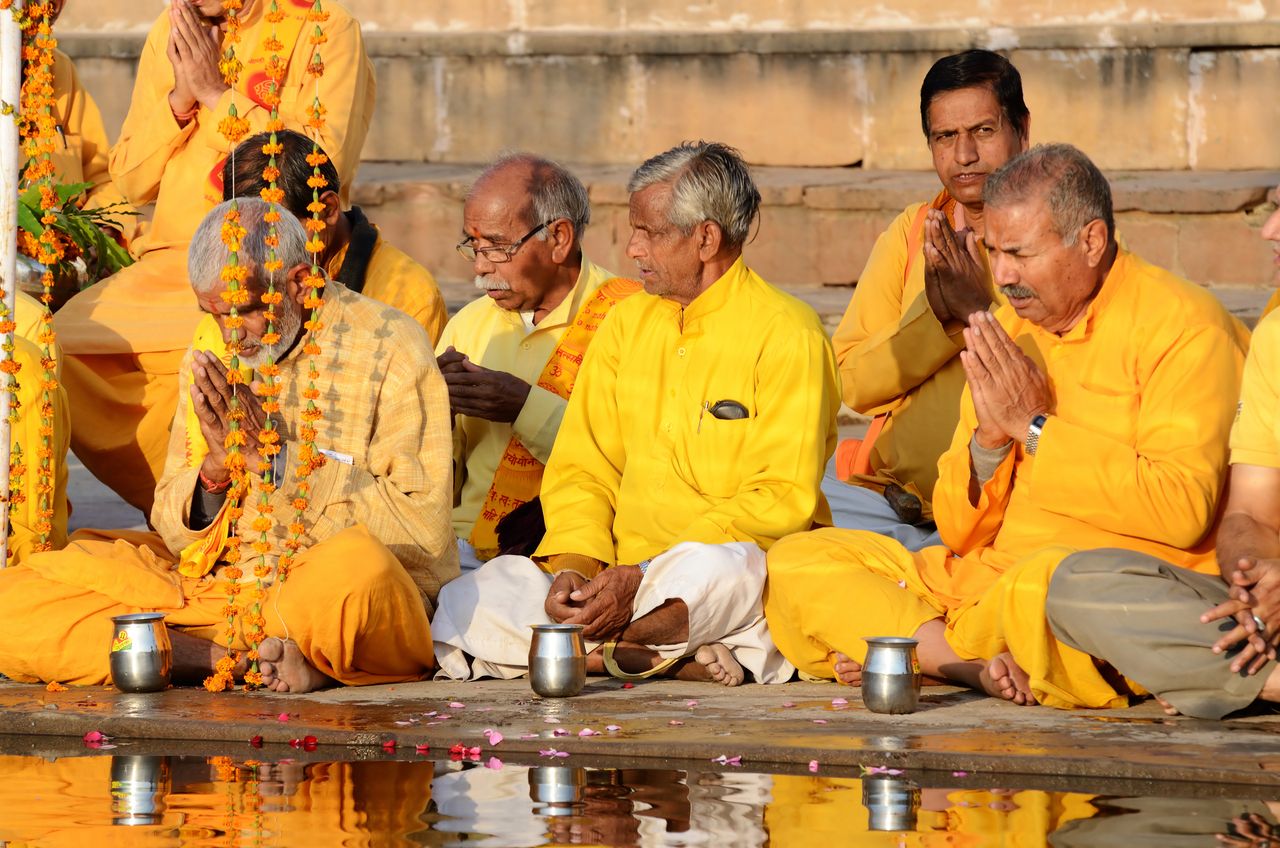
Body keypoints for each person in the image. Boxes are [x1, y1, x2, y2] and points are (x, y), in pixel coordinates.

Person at [764, 144, 1249, 703]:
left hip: (1082, 590)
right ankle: (958, 663)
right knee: (799, 558)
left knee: (1047, 584)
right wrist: (989, 445)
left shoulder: (1185, 328)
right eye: (993, 252)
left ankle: (913, 648)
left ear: (1090, 241)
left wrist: (1034, 427)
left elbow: (1181, 511)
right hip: (977, 585)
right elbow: (958, 531)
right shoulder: (1010, 329)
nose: (1001, 275)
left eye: (1019, 253)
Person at [0, 199, 456, 692]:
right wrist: (213, 475)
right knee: (19, 597)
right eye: (213, 315)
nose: (230, 336)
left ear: (300, 283)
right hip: (212, 591)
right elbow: (175, 533)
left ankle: (178, 647)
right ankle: (221, 658)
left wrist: (282, 464)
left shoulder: (391, 345)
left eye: (244, 313)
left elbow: (425, 536)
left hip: (311, 592)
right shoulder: (212, 350)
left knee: (361, 576)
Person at [432, 142, 840, 685]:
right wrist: (576, 564)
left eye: (648, 232)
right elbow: (584, 467)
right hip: (612, 571)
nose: (632, 249)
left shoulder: (789, 333)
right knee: (468, 599)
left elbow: (780, 499)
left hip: (702, 568)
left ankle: (605, 647)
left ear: (705, 238)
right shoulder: (626, 324)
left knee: (726, 574)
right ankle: (645, 651)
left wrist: (644, 574)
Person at [54, 0, 375, 514]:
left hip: (267, 259)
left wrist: (214, 93)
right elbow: (133, 179)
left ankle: (222, 517)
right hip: (171, 262)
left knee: (214, 365)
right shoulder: (174, 28)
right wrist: (181, 99)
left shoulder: (327, 29)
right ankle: (188, 513)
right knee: (56, 345)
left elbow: (318, 169)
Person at [1039, 195, 1280, 719]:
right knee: (1076, 586)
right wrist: (1255, 584)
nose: (1269, 231)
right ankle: (1254, 676)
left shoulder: (1187, 325)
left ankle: (1221, 678)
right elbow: (1249, 515)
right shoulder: (1277, 337)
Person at [824, 49, 1028, 550]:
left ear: (1021, 129)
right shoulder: (913, 233)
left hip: (1005, 511)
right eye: (945, 137)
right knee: (783, 529)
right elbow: (852, 382)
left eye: (982, 131)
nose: (963, 156)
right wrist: (940, 318)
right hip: (888, 500)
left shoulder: (1061, 239)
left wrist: (980, 312)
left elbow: (1064, 378)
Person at [435, 153, 628, 571]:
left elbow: (637, 460)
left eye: (498, 247)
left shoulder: (628, 317)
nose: (482, 268)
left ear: (559, 238)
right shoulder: (469, 324)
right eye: (474, 246)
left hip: (572, 551)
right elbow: (436, 487)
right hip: (459, 546)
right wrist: (434, 414)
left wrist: (526, 407)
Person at [222, 130, 448, 343]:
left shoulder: (409, 295)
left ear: (328, 209)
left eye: (278, 234)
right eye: (251, 240)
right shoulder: (240, 273)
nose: (266, 255)